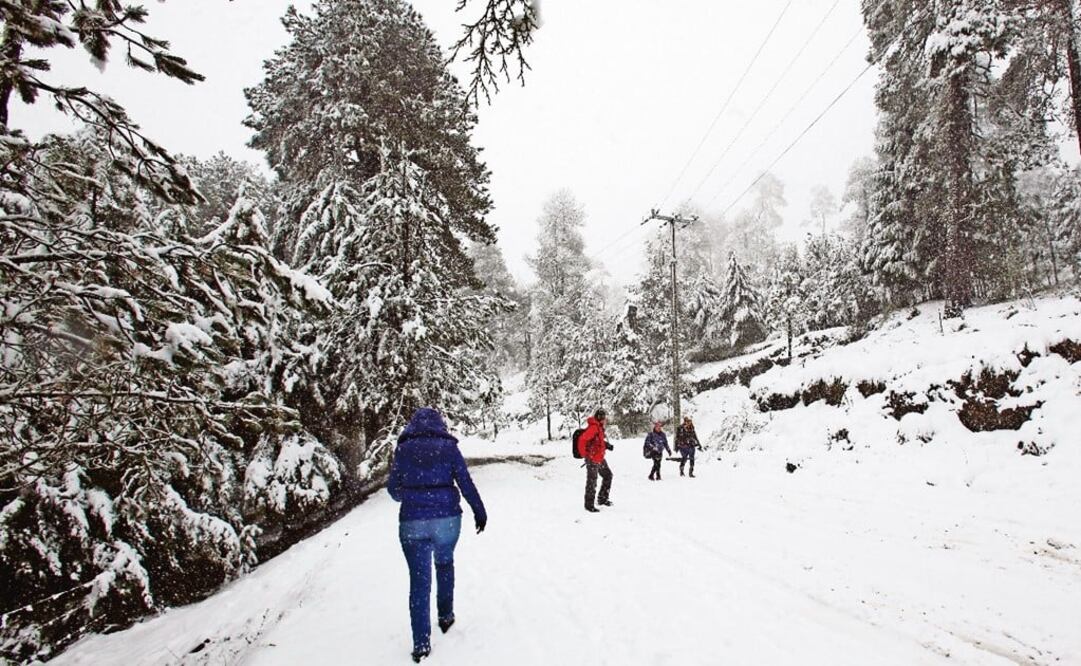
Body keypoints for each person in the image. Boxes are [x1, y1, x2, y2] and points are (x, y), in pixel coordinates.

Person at [387, 407, 487, 664]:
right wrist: (479, 511)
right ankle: (446, 616)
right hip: (447, 520)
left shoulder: (404, 449)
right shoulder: (448, 447)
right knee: (444, 563)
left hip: (413, 522)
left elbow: (393, 489)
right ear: (439, 424)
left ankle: (421, 644)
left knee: (419, 583)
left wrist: (409, 495)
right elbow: (465, 481)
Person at [578, 408, 614, 512]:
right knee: (592, 482)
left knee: (608, 475)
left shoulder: (599, 428)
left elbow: (597, 442)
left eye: (604, 417)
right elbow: (582, 439)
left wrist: (607, 445)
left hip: (599, 458)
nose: (604, 419)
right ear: (599, 418)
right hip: (592, 459)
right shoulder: (594, 428)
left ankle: (602, 498)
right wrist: (585, 455)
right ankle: (589, 505)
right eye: (602, 417)